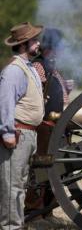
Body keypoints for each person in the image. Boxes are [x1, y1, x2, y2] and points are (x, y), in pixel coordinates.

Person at [24, 27, 73, 221]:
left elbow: (58, 93)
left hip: (59, 126)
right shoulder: (39, 67)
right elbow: (37, 93)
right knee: (41, 168)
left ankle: (48, 211)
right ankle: (33, 213)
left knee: (57, 171)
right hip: (45, 125)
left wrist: (67, 89)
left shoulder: (54, 68)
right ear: (51, 47)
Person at [0, 22, 44, 229]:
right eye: (34, 40)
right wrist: (7, 132)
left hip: (28, 134)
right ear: (24, 44)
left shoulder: (28, 68)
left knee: (20, 185)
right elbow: (5, 102)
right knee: (12, 186)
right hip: (17, 133)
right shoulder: (14, 71)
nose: (38, 43)